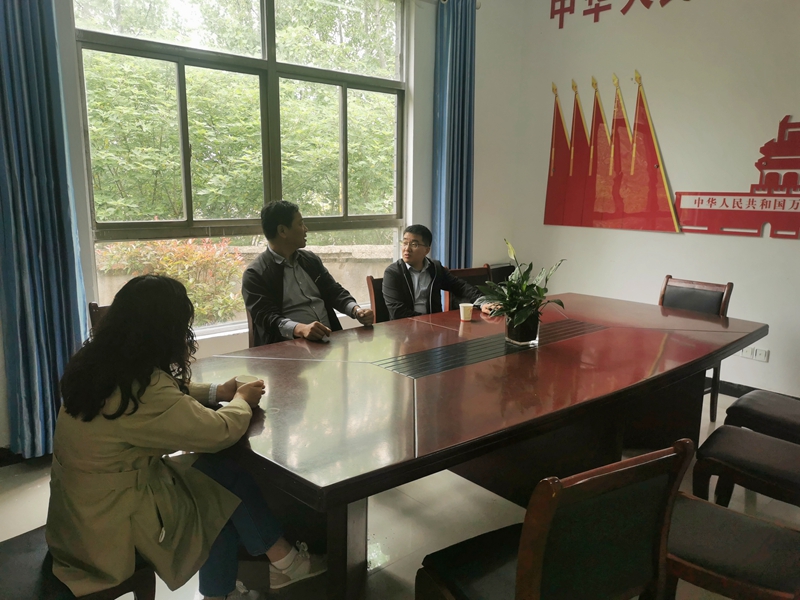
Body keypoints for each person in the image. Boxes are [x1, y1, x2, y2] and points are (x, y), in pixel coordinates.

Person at [46, 275, 326, 600]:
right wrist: (241, 400)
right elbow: (218, 432)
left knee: (216, 485)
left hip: (77, 516)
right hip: (112, 529)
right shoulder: (143, 389)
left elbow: (163, 395)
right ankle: (286, 564)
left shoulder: (97, 365)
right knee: (222, 485)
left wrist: (218, 391)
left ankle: (243, 582)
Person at [242, 200, 374, 345]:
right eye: (300, 224)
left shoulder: (310, 260)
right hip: (287, 349)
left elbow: (333, 291)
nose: (306, 229)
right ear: (282, 231)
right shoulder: (255, 274)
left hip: (330, 340)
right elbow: (267, 318)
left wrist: (356, 310)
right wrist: (301, 329)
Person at [382, 224, 494, 320]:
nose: (407, 249)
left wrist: (484, 302)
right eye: (405, 243)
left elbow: (460, 287)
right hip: (405, 329)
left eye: (414, 244)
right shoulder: (393, 273)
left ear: (426, 250)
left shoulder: (435, 268)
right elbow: (397, 312)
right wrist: (430, 322)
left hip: (434, 329)